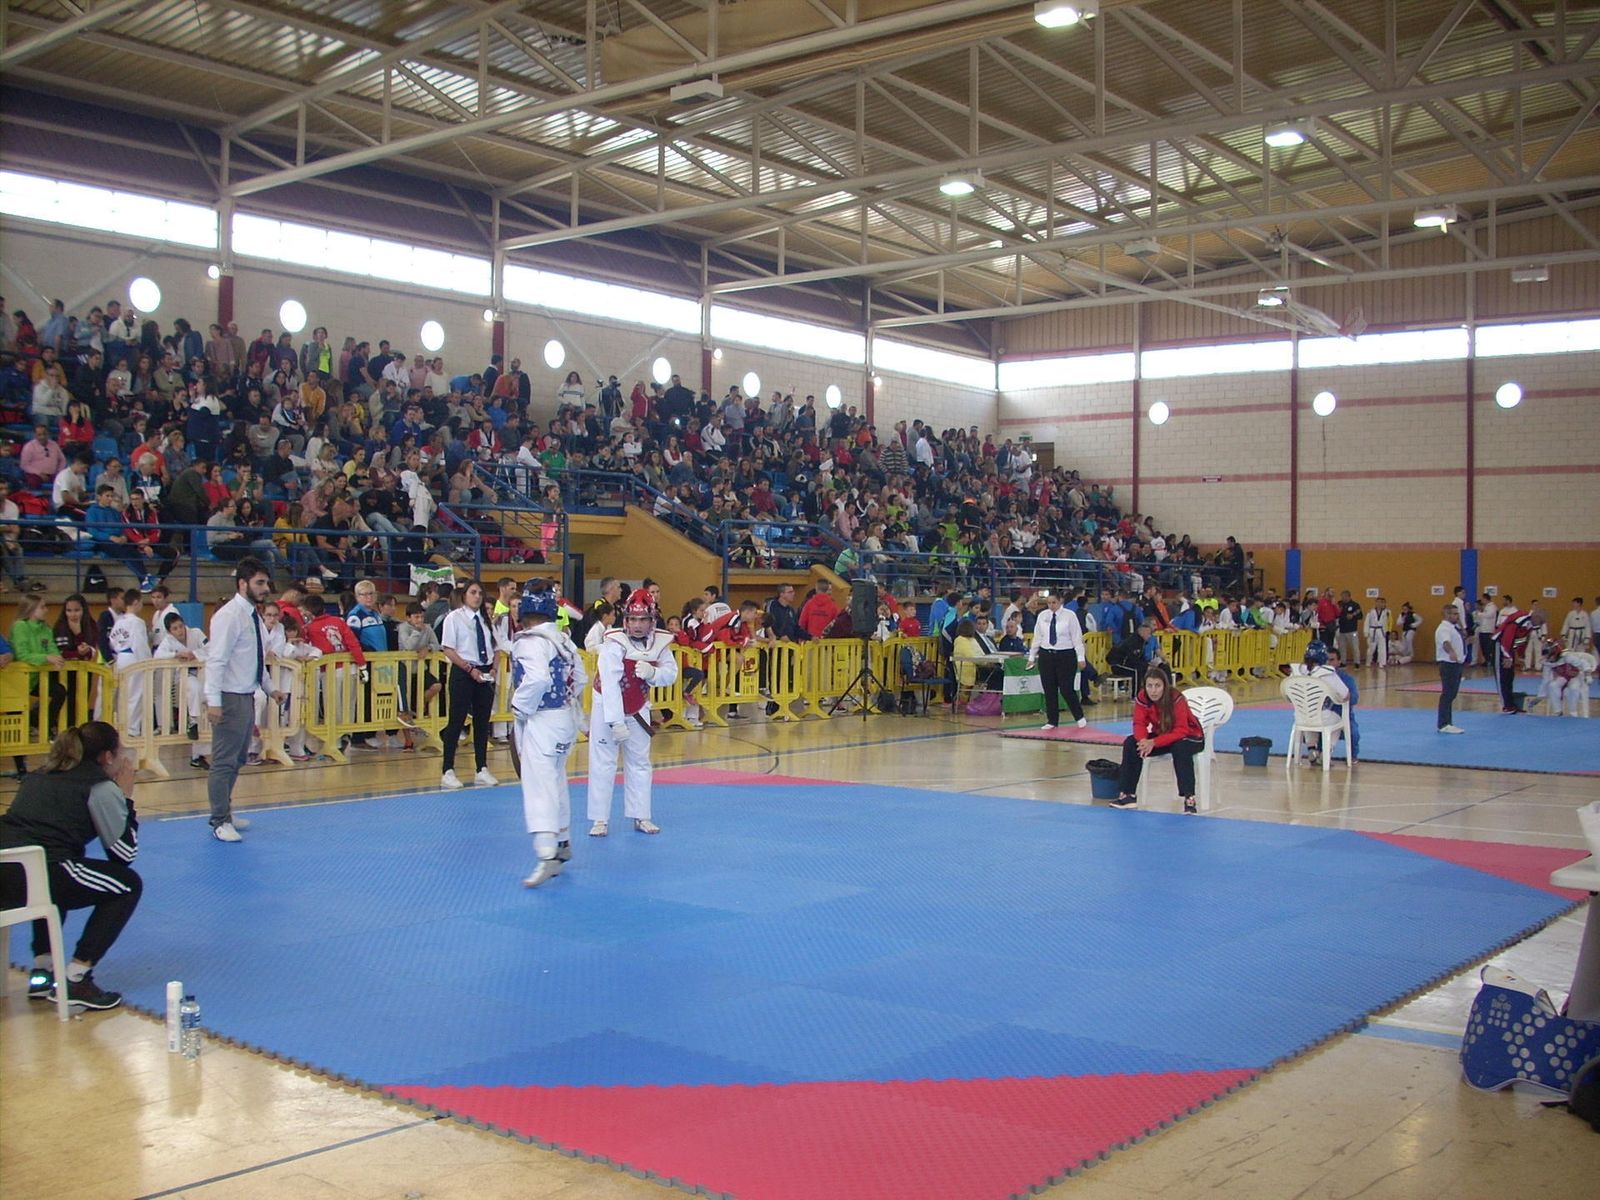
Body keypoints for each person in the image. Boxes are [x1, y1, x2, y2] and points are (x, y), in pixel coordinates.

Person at [0, 721, 140, 1010]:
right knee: (127, 884)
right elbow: (123, 854)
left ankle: (43, 971)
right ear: (107, 757)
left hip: (9, 871)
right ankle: (77, 977)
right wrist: (126, 797)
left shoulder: (39, 775)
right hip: (37, 874)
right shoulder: (99, 787)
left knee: (55, 872)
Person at [508, 591, 588, 888]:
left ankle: (546, 854)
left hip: (542, 719)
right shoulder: (564, 640)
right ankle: (563, 840)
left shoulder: (531, 642)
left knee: (539, 783)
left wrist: (520, 705)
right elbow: (580, 678)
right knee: (556, 779)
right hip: (564, 718)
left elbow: (538, 679)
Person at [587, 588, 678, 837]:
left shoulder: (661, 642)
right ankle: (599, 819)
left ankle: (641, 815)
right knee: (603, 763)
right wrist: (616, 721)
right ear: (625, 620)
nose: (638, 625)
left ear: (652, 620)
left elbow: (671, 674)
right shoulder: (613, 642)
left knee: (640, 762)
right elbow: (609, 682)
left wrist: (653, 674)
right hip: (606, 706)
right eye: (633, 619)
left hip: (639, 708)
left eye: (643, 620)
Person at [204, 558, 279, 842]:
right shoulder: (228, 615)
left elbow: (255, 659)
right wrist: (214, 700)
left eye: (266, 582)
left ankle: (226, 810)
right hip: (229, 695)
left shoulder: (253, 616)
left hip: (247, 694)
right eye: (259, 582)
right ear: (242, 583)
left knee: (237, 758)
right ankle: (219, 820)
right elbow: (217, 660)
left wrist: (271, 689)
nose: (265, 588)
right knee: (224, 760)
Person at [1110, 665, 1204, 814]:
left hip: (1191, 737)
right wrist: (1143, 741)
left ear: (1164, 686)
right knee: (1130, 743)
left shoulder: (1176, 698)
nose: (1153, 690)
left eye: (1157, 686)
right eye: (1150, 686)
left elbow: (1181, 730)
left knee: (1180, 748)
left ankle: (1189, 798)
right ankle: (1128, 795)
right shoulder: (1142, 697)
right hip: (1164, 735)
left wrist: (1153, 742)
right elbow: (1139, 723)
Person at [438, 579, 499, 790]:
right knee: (456, 721)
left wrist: (493, 668)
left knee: (482, 722)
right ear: (464, 595)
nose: (477, 597)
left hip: (484, 672)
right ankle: (448, 769)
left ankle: (481, 767)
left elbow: (496, 647)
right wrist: (469, 669)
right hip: (464, 672)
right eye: (473, 592)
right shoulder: (454, 618)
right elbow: (448, 649)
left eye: (480, 593)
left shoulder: (486, 619)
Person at [153, 611, 210, 770]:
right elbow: (158, 656)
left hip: (203, 673)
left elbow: (210, 647)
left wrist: (195, 654)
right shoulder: (168, 641)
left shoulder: (196, 633)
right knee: (195, 690)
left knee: (206, 713)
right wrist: (176, 654)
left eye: (180, 626)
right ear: (169, 631)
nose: (179, 631)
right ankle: (192, 721)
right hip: (184, 678)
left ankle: (198, 755)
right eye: (175, 629)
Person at [1025, 591, 1087, 730]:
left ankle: (1079, 716)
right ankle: (1052, 720)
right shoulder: (1042, 616)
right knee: (1049, 688)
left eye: (1054, 602)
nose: (1051, 606)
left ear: (1061, 601)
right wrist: (1031, 657)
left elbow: (1077, 638)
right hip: (1046, 655)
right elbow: (1037, 637)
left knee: (1066, 688)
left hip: (1066, 655)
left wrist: (1081, 657)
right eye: (1049, 603)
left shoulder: (1070, 616)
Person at [1290, 640, 1351, 765]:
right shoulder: (1327, 672)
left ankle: (1311, 749)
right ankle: (1326, 752)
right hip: (1323, 715)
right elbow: (1346, 695)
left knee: (1307, 715)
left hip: (1300, 716)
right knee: (1338, 721)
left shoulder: (1296, 671)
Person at [1435, 604, 1467, 734]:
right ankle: (1444, 724)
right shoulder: (1443, 628)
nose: (1456, 616)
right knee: (1448, 694)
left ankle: (1447, 722)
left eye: (1457, 614)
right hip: (1448, 663)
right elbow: (1445, 642)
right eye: (1454, 614)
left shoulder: (1453, 628)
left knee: (1451, 694)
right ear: (1447, 615)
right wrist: (1452, 653)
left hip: (1455, 664)